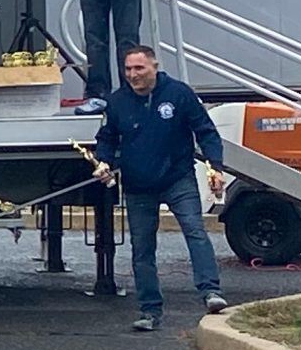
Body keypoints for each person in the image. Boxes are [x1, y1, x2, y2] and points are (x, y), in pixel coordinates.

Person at [91, 43, 231, 332]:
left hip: (177, 178)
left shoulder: (179, 94)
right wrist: (103, 161)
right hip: (138, 185)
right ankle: (149, 310)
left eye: (139, 68)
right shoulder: (117, 101)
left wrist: (215, 166)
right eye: (128, 69)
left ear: (154, 67)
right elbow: (107, 138)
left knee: (195, 231)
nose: (133, 74)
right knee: (142, 248)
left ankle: (210, 292)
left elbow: (206, 132)